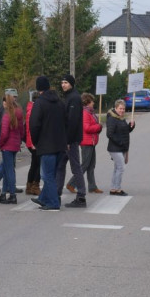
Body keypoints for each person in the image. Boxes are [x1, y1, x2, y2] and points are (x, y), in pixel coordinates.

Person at [28, 75, 67, 211]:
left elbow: (33, 125)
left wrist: (36, 141)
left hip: (46, 145)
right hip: (60, 144)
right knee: (53, 174)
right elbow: (66, 122)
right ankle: (44, 198)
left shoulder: (39, 103)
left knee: (47, 175)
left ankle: (53, 203)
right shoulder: (60, 102)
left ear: (39, 89)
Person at [55, 73, 87, 208]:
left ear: (71, 84)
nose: (63, 85)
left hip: (71, 140)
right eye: (62, 82)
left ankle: (81, 197)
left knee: (75, 168)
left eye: (66, 83)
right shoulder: (69, 97)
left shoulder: (74, 98)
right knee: (60, 166)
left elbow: (72, 122)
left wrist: (67, 141)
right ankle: (56, 194)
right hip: (66, 139)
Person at [0, 93, 24, 204]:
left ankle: (12, 195)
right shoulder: (19, 113)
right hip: (15, 145)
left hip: (7, 145)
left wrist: (0, 144)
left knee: (9, 171)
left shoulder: (7, 115)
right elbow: (21, 130)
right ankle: (3, 194)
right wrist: (19, 141)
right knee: (8, 170)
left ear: (6, 103)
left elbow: (4, 133)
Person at [70, 93, 103, 195]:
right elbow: (87, 128)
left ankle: (92, 186)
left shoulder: (91, 112)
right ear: (88, 102)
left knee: (91, 165)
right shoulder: (85, 113)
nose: (93, 103)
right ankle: (71, 183)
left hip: (92, 142)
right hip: (86, 142)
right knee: (84, 165)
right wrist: (98, 127)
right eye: (92, 101)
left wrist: (98, 128)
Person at [105, 99, 134, 196]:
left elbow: (125, 131)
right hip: (115, 148)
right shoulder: (112, 119)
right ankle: (117, 189)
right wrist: (120, 143)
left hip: (122, 147)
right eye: (120, 108)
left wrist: (131, 126)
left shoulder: (120, 118)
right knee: (121, 167)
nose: (122, 110)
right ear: (116, 108)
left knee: (117, 168)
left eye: (123, 109)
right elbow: (109, 134)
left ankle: (113, 189)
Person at [23, 92, 41, 195]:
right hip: (34, 142)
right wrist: (34, 143)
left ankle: (29, 185)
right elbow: (31, 128)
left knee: (34, 163)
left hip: (32, 142)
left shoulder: (30, 109)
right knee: (39, 164)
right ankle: (35, 185)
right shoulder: (34, 111)